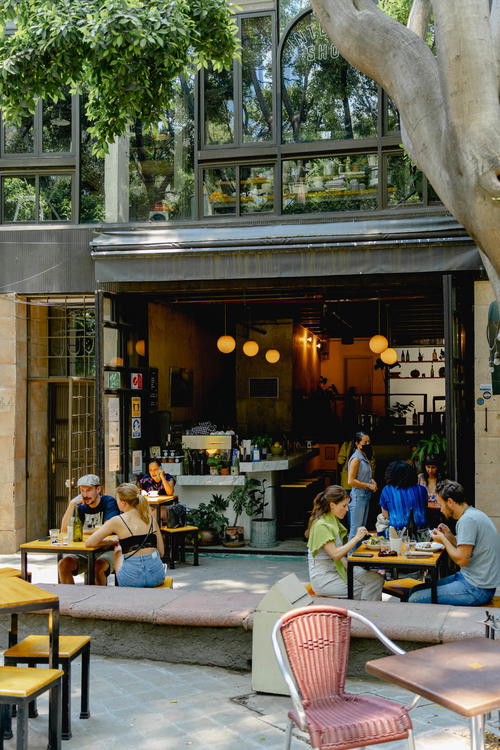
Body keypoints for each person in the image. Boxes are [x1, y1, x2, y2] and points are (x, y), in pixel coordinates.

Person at [409, 480, 500, 605]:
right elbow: (465, 547)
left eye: (441, 504)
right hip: (471, 580)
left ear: (450, 502)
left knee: (415, 598)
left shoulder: (467, 520)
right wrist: (449, 536)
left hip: (477, 589)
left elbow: (461, 559)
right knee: (415, 590)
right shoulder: (472, 514)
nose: (440, 509)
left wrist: (443, 540)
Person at [307, 485, 384, 600]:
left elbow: (341, 557)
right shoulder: (321, 525)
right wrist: (356, 538)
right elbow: (336, 554)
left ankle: (366, 611)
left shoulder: (332, 521)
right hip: (325, 578)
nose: (347, 509)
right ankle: (365, 614)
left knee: (376, 579)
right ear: (332, 505)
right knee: (365, 588)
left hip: (339, 570)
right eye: (344, 506)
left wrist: (353, 569)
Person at [86, 483, 165, 588]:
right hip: (157, 577)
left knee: (118, 551)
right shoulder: (150, 518)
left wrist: (110, 542)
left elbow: (90, 543)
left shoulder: (117, 520)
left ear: (123, 502)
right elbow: (161, 552)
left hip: (132, 579)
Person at [58, 474, 120, 585]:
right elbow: (64, 530)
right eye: (82, 491)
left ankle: (98, 602)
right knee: (63, 565)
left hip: (107, 549)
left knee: (98, 566)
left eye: (88, 490)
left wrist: (81, 531)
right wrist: (71, 505)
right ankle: (70, 600)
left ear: (98, 489)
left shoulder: (108, 502)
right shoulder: (80, 506)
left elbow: (109, 527)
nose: (85, 495)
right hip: (86, 551)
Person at [380, 461, 428, 539]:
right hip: (422, 534)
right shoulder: (421, 490)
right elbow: (425, 509)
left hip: (396, 535)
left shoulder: (387, 490)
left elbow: (386, 515)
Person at [347, 432, 377, 540]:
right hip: (358, 497)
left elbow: (363, 476)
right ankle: (351, 555)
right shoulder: (356, 459)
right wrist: (368, 485)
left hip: (365, 496)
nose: (368, 444)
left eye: (369, 442)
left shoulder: (364, 457)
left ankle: (357, 554)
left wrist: (372, 482)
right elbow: (350, 481)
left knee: (361, 530)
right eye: (365, 442)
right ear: (357, 444)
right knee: (355, 531)